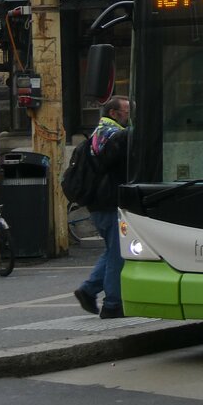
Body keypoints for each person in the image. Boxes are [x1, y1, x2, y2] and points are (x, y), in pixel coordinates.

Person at [73, 95, 131, 319]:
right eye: (127, 111)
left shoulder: (100, 133)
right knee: (118, 254)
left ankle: (88, 290)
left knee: (112, 251)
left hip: (98, 203)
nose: (130, 115)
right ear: (114, 113)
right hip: (109, 202)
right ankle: (113, 304)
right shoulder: (115, 136)